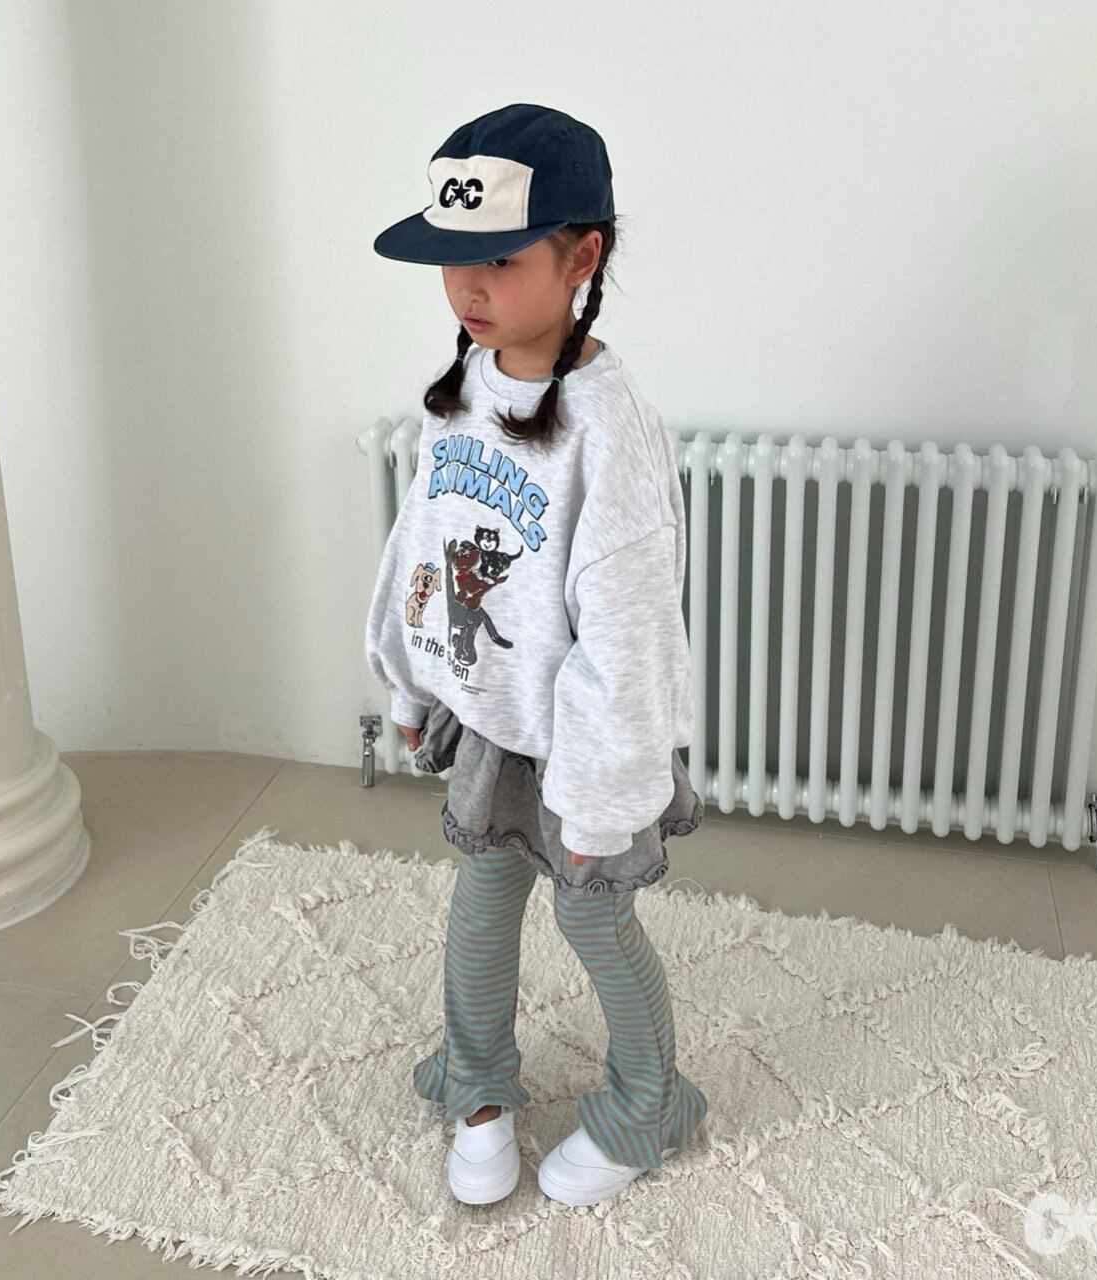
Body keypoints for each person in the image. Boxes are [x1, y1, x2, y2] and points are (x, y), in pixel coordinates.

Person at [364, 103, 708, 1208]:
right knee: (480, 901)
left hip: (586, 742)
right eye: (452, 258)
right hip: (494, 715)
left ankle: (650, 1101)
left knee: (591, 913)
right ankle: (476, 1085)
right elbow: (423, 538)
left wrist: (603, 795)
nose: (469, 288)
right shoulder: (468, 381)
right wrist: (408, 674)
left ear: (581, 257)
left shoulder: (608, 427)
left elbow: (631, 626)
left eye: (501, 260)